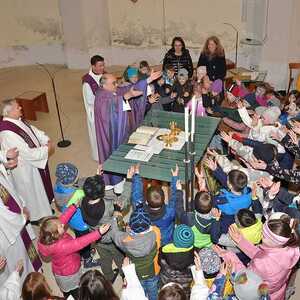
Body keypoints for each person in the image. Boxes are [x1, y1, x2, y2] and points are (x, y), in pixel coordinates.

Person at [94, 70, 161, 193]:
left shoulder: (112, 91)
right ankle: (116, 188)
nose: (116, 85)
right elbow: (111, 104)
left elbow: (128, 89)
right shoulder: (101, 96)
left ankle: (123, 177)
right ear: (104, 85)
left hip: (120, 132)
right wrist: (126, 97)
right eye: (114, 83)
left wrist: (147, 80)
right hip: (110, 135)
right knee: (113, 157)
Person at [38, 201, 111, 299]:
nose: (62, 225)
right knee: (75, 292)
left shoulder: (48, 237)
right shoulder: (63, 246)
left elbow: (63, 219)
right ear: (55, 233)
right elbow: (80, 242)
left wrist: (73, 207)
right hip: (70, 274)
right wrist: (99, 233)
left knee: (68, 290)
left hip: (61, 271)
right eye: (60, 226)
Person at [217, 216, 300, 300]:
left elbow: (245, 279)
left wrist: (229, 256)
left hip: (263, 295)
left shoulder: (261, 263)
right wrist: (240, 241)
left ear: (274, 242)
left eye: (264, 236)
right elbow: (263, 255)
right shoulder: (290, 250)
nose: (260, 236)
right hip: (278, 293)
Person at [0, 99, 54, 221]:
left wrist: (45, 139)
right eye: (17, 107)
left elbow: (33, 130)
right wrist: (46, 149)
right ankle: (37, 217)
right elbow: (27, 154)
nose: (20, 108)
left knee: (39, 192)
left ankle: (44, 210)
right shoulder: (7, 133)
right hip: (25, 169)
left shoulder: (17, 120)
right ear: (8, 112)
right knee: (33, 194)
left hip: (33, 163)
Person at [0, 147, 42, 285]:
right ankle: (29, 285)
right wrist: (22, 218)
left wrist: (4, 161)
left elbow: (8, 189)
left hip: (14, 216)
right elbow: (4, 216)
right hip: (8, 233)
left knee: (26, 250)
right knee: (19, 257)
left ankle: (34, 275)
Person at [111, 202, 161, 300]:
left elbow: (114, 233)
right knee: (153, 290)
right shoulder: (156, 232)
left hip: (135, 274)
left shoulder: (125, 240)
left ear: (131, 225)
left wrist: (116, 216)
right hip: (153, 271)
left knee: (140, 290)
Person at [128, 164, 181, 246]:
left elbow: (136, 194)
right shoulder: (170, 211)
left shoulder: (139, 212)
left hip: (149, 242)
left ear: (147, 202)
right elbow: (174, 198)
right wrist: (174, 179)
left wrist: (136, 175)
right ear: (164, 199)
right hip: (166, 240)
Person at [159, 224, 195, 298]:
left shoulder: (164, 252)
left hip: (167, 287)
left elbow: (159, 262)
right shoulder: (194, 257)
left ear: (174, 239)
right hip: (184, 289)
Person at [82, 55, 105, 161]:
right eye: (100, 66)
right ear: (93, 66)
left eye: (103, 65)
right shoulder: (87, 82)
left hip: (105, 110)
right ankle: (98, 156)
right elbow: (90, 101)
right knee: (97, 136)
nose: (102, 68)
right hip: (95, 113)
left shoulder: (103, 75)